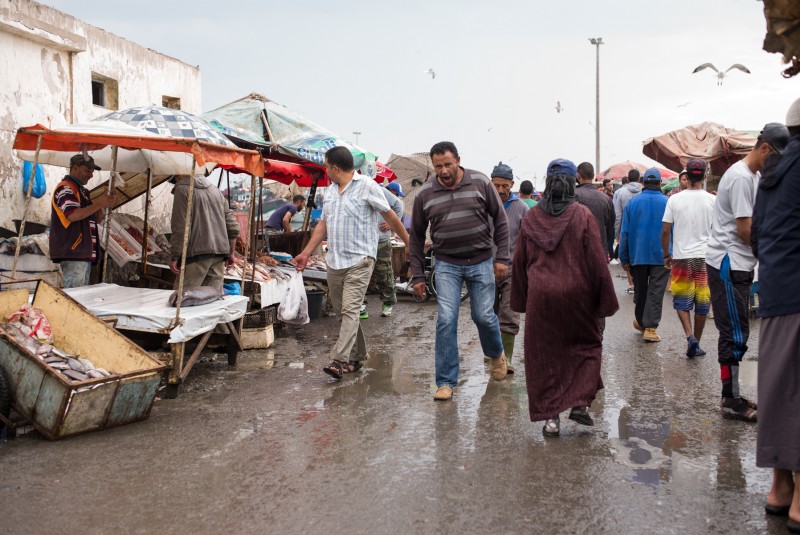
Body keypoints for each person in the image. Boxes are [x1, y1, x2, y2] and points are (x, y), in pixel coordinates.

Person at [510, 159, 619, 437]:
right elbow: (597, 261)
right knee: (587, 346)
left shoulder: (531, 218)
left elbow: (520, 262)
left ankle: (551, 419)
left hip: (540, 297)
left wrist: (521, 301)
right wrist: (605, 300)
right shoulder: (582, 215)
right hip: (577, 296)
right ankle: (580, 403)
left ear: (547, 184)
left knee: (545, 355)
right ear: (573, 183)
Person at [294, 146, 409, 380]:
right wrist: (305, 253)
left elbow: (390, 214)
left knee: (350, 310)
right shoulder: (330, 191)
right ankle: (357, 357)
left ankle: (339, 360)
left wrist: (409, 243)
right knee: (343, 313)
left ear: (335, 167)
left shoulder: (367, 185)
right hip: (335, 260)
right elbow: (323, 224)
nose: (326, 171)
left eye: (327, 166)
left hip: (361, 260)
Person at [409, 141, 509, 401]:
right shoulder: (425, 194)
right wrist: (418, 275)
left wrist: (502, 258)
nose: (443, 171)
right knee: (446, 319)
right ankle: (445, 382)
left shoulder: (480, 182)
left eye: (448, 164)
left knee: (483, 316)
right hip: (446, 264)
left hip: (481, 261)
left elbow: (500, 220)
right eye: (438, 166)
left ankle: (496, 354)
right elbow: (416, 236)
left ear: (458, 161)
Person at [706, 122, 789, 422]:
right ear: (764, 148)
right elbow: (744, 230)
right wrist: (772, 256)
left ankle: (734, 394)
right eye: (775, 158)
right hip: (729, 263)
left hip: (740, 264)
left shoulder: (752, 176)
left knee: (738, 330)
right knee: (734, 333)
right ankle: (730, 400)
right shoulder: (741, 177)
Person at [752, 99, 800, 530]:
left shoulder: (774, 172)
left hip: (775, 292)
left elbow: (757, 236)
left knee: (779, 386)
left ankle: (780, 487)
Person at [660, 159, 716, 357]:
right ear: (704, 176)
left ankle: (690, 336)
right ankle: (696, 343)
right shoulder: (712, 200)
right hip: (705, 258)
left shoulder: (674, 200)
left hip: (681, 257)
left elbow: (665, 230)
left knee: (682, 301)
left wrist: (666, 255)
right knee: (703, 303)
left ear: (686, 176)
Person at [50, 154, 116, 288]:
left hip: (83, 254)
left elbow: (97, 219)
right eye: (87, 170)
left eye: (92, 171)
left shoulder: (82, 192)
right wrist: (99, 203)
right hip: (74, 252)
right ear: (75, 168)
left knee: (80, 295)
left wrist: (104, 203)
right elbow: (73, 215)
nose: (91, 175)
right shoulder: (65, 188)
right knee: (74, 296)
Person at [619, 168, 669, 342]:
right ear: (660, 183)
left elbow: (624, 233)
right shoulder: (667, 202)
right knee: (656, 291)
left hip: (637, 255)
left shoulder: (632, 203)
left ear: (643, 182)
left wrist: (624, 258)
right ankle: (650, 328)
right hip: (662, 255)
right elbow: (672, 230)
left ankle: (642, 322)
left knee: (640, 290)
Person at [489, 161, 528, 373]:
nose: (501, 190)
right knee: (488, 315)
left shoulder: (521, 208)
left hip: (512, 270)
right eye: (496, 185)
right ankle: (495, 352)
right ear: (491, 183)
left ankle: (507, 359)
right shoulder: (483, 205)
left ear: (512, 184)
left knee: (509, 313)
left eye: (505, 185)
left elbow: (528, 240)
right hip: (486, 270)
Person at [169, 175, 239, 290]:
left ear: (178, 175)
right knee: (212, 298)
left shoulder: (182, 189)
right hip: (219, 255)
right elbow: (232, 226)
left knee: (184, 298)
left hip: (195, 256)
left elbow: (181, 228)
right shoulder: (215, 190)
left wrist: (175, 256)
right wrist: (231, 252)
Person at [360, 181, 404, 319]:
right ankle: (360, 305)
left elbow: (398, 204)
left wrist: (391, 223)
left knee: (383, 272)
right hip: (363, 241)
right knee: (360, 273)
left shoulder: (379, 190)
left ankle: (388, 303)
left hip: (381, 240)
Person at [575, 162, 614, 261]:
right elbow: (610, 228)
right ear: (593, 176)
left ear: (578, 176)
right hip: (600, 249)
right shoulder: (606, 199)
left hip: (578, 251)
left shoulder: (572, 195)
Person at [614, 169, 643, 291]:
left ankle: (632, 284)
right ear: (639, 179)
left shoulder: (620, 193)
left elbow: (618, 215)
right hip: (642, 230)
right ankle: (641, 283)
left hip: (626, 228)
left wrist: (617, 232)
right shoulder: (644, 191)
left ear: (628, 179)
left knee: (627, 256)